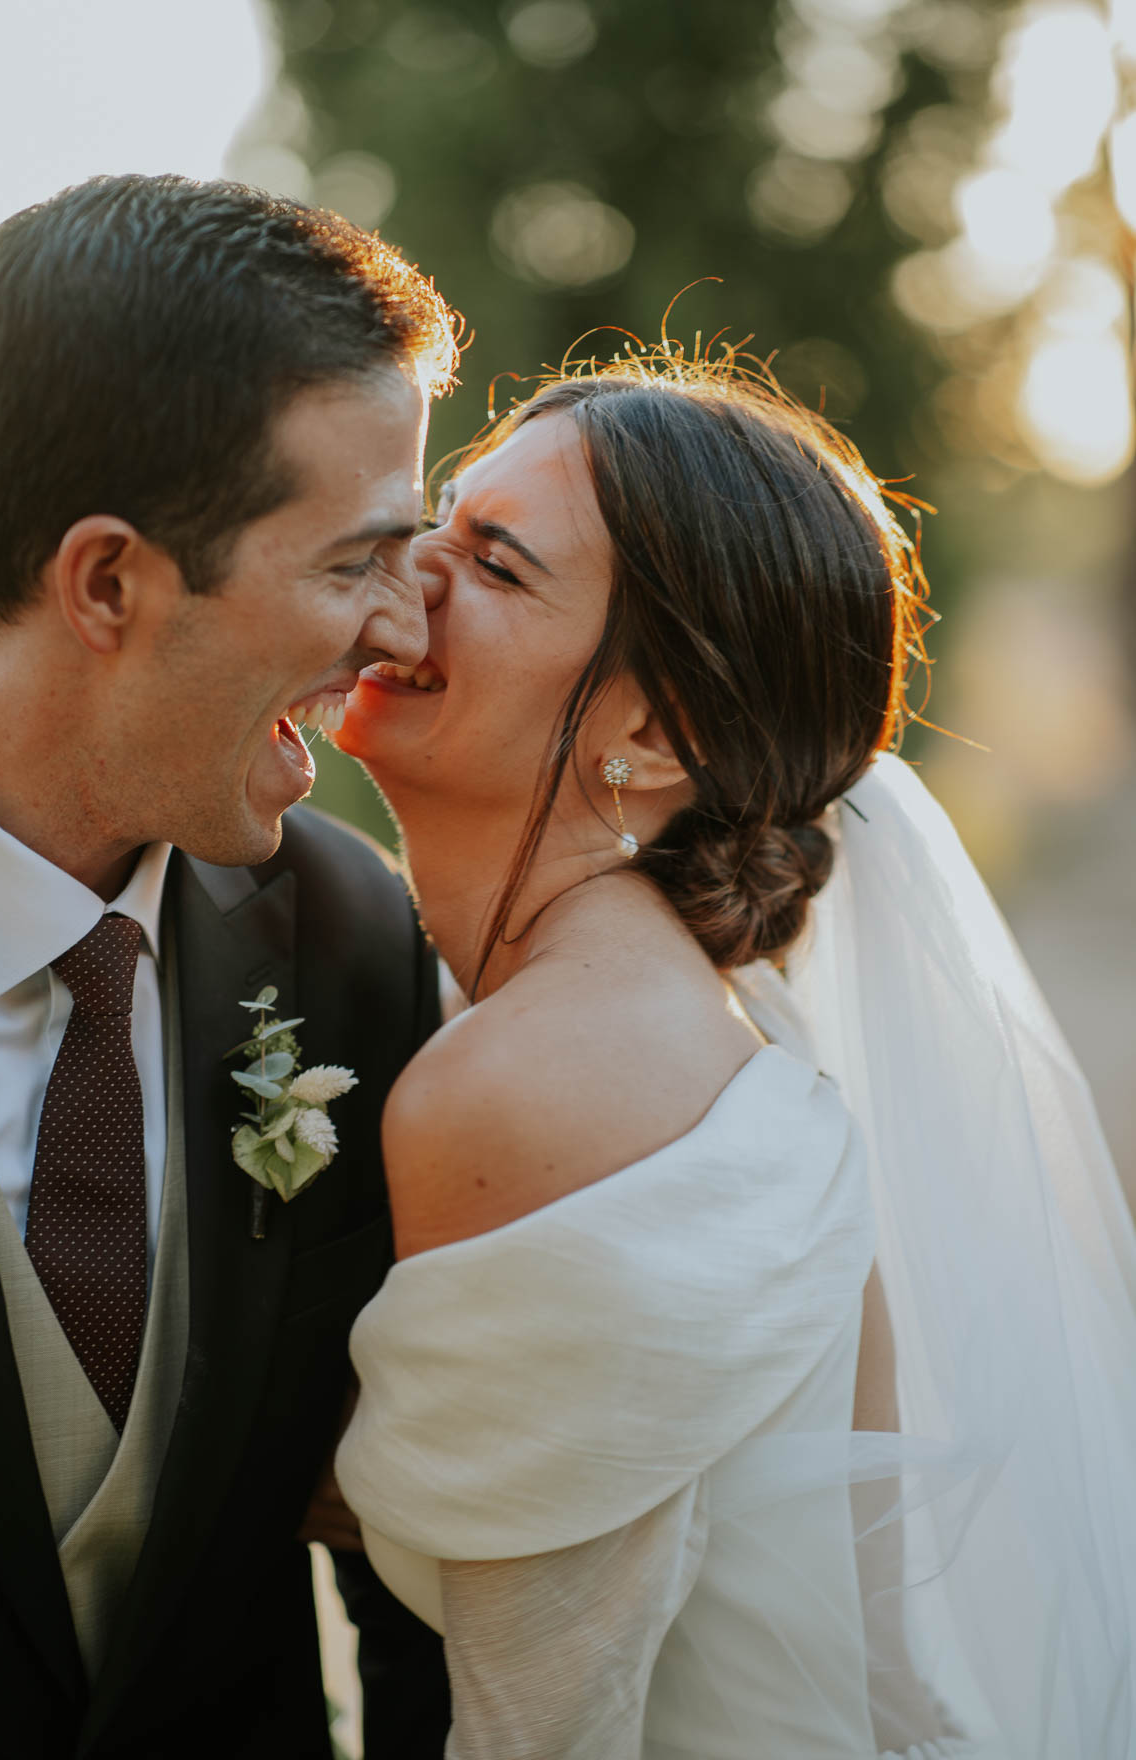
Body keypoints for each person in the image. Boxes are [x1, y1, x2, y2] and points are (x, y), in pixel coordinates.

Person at [330, 352, 1136, 1756]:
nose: (410, 578)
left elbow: (549, 1725)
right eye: (437, 523)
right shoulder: (692, 1032)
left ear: (654, 732)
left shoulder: (539, 1082)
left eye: (501, 566)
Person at [0, 174, 455, 1759]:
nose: (402, 635)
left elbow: (410, 1563)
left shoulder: (357, 943)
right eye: (351, 561)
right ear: (108, 582)